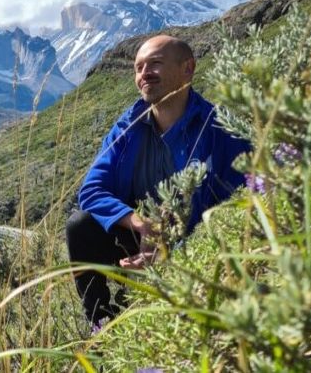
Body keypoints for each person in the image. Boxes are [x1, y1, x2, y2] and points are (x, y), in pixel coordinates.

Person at [65, 35, 249, 325]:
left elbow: (245, 199)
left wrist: (172, 249)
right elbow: (91, 191)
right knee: (81, 225)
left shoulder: (219, 128)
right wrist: (140, 224)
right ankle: (100, 323)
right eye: (139, 67)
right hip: (140, 238)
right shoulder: (128, 126)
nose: (144, 74)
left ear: (188, 68)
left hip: (200, 244)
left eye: (155, 64)